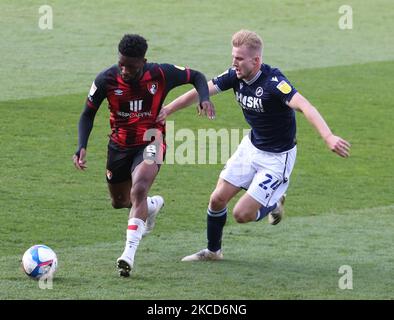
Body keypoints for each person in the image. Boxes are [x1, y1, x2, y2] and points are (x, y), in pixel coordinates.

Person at [156, 29, 351, 261]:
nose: (234, 63)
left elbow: (305, 106)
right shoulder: (235, 76)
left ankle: (274, 202)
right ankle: (213, 252)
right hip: (251, 147)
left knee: (241, 214)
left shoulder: (274, 83)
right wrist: (167, 109)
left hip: (277, 158)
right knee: (217, 199)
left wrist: (328, 136)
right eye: (233, 57)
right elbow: (202, 90)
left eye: (239, 59)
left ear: (256, 60)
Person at [73, 34, 214, 275]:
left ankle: (128, 255)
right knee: (121, 202)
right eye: (121, 64)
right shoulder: (106, 79)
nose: (125, 70)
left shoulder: (160, 74)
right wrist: (81, 145)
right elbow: (87, 114)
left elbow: (197, 76)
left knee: (138, 189)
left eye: (131, 66)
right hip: (118, 146)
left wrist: (204, 97)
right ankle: (150, 206)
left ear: (143, 62)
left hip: (151, 139)